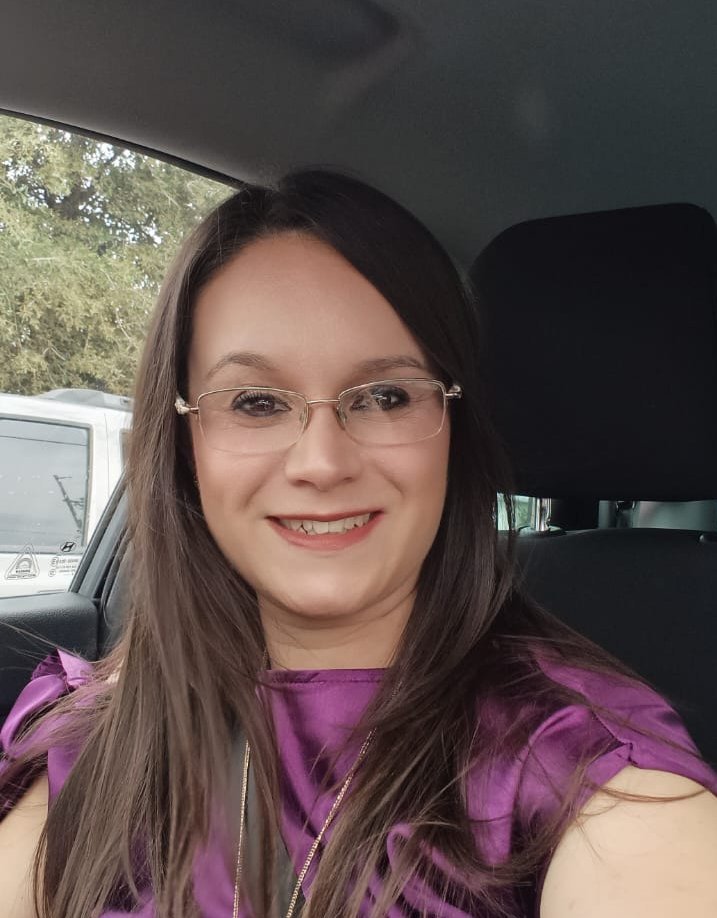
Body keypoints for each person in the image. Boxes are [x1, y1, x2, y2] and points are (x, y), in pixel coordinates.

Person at [1, 170, 716, 918]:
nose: (321, 462)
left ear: (453, 428)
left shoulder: (581, 769)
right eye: (256, 402)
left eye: (385, 396)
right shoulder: (89, 738)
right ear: (185, 444)